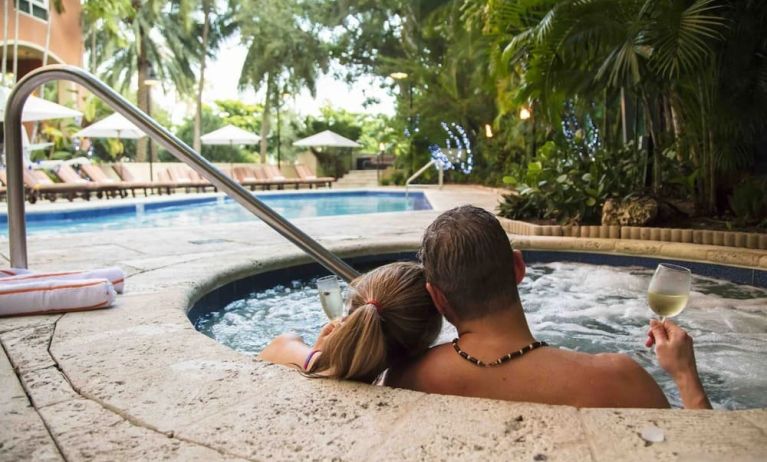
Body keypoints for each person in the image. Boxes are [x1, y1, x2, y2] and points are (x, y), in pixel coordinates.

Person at [386, 205, 711, 409]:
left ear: (437, 297)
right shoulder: (622, 380)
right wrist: (685, 375)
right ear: (518, 268)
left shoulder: (406, 377)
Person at [260, 261, 443, 383]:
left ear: (351, 311)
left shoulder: (284, 345)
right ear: (419, 346)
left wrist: (320, 355)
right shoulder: (407, 389)